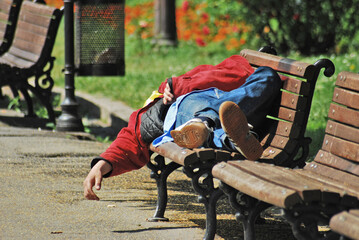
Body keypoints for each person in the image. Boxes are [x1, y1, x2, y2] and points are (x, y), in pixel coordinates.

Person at [83, 55, 282, 201]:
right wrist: (103, 164)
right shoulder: (161, 103)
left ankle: (226, 138)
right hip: (187, 108)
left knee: (268, 75)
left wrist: (177, 85)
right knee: (198, 106)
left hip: (229, 107)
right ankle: (209, 128)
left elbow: (234, 73)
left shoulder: (232, 69)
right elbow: (133, 135)